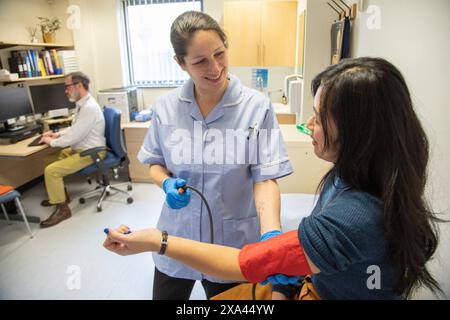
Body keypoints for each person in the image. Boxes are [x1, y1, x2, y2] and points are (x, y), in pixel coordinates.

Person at [104, 57, 443, 299]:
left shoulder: (355, 217)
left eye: (319, 118)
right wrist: (283, 287)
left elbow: (244, 262)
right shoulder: (351, 175)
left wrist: (156, 240)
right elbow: (306, 259)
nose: (308, 125)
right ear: (181, 64)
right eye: (199, 62)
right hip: (304, 282)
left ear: (359, 132)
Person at [135, 11, 293, 300]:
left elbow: (265, 177)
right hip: (176, 240)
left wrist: (272, 234)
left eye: (220, 53)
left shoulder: (257, 107)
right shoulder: (166, 108)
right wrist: (165, 183)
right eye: (200, 61)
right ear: (180, 63)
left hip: (231, 247)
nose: (216, 67)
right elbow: (155, 162)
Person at [39, 71, 106, 228]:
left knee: (51, 170)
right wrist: (56, 134)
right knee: (48, 160)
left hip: (91, 152)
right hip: (81, 148)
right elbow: (74, 129)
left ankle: (62, 209)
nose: (65, 90)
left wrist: (51, 142)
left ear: (79, 85)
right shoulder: (82, 104)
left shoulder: (89, 107)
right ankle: (61, 196)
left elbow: (73, 137)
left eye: (67, 86)